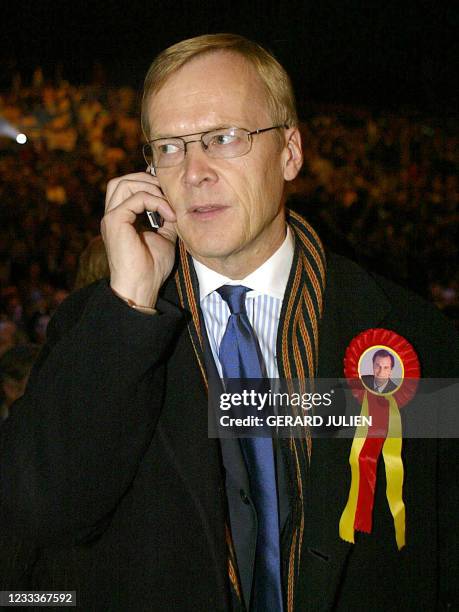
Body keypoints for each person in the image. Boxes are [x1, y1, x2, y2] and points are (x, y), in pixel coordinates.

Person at [0, 34, 457, 611]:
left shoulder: (411, 333)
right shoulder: (101, 326)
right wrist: (130, 308)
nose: (194, 172)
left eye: (223, 138)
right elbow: (40, 513)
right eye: (168, 147)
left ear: (290, 151)